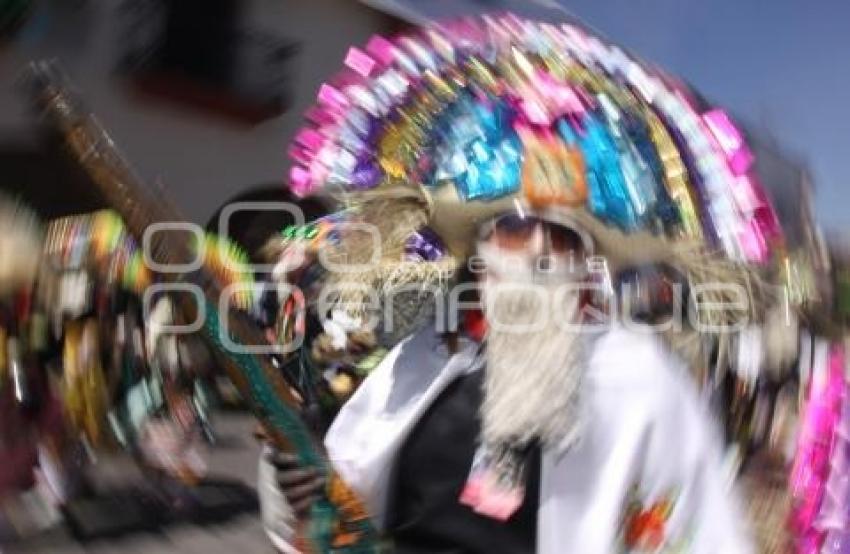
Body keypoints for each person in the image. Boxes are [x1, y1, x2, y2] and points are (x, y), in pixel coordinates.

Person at [255, 13, 771, 552]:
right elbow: (343, 504)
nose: (541, 250)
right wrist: (305, 486)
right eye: (518, 228)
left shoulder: (637, 377)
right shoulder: (431, 355)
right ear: (482, 253)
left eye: (565, 237)